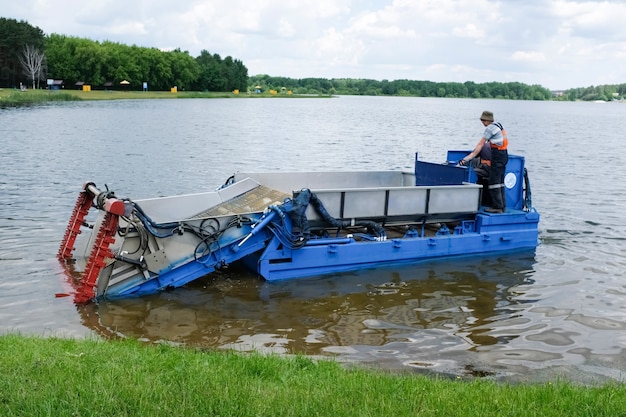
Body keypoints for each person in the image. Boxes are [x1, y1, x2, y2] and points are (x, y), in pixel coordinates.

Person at [458, 111, 508, 213]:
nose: (482, 123)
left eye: (482, 120)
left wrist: (468, 158)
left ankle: (497, 207)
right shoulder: (498, 125)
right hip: (504, 155)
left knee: (494, 182)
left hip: (498, 156)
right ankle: (502, 206)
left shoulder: (490, 128)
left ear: (486, 120)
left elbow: (480, 145)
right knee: (500, 181)